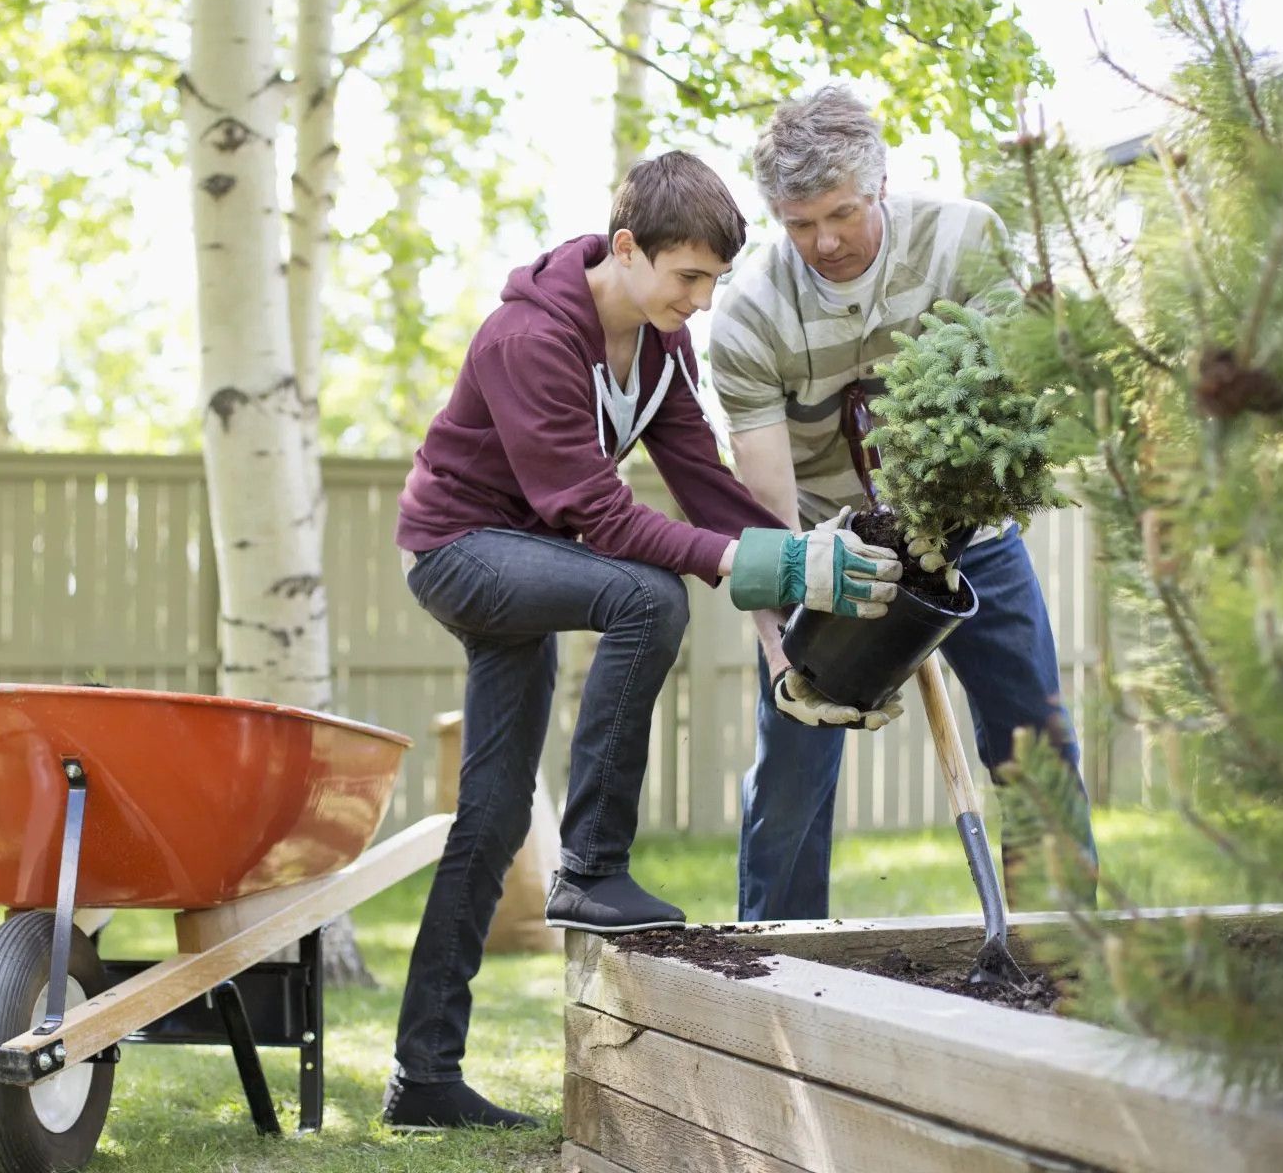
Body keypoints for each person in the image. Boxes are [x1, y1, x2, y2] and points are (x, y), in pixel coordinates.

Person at [381, 151, 902, 1131]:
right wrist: (777, 569)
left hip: (524, 560)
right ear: (627, 249)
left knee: (490, 816)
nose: (702, 301)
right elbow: (593, 512)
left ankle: (424, 1075)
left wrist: (794, 595)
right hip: (457, 551)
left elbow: (702, 483)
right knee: (649, 596)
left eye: (714, 280)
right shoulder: (527, 338)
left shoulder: (660, 348)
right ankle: (593, 863)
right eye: (688, 277)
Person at [708, 84, 1100, 925]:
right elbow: (768, 506)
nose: (824, 241)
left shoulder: (964, 241)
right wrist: (783, 652)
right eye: (799, 222)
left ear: (880, 184)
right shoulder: (748, 316)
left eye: (842, 213)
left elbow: (1005, 402)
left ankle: (1063, 958)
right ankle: (777, 960)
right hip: (827, 547)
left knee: (1037, 740)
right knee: (791, 768)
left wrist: (934, 525)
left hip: (969, 531)